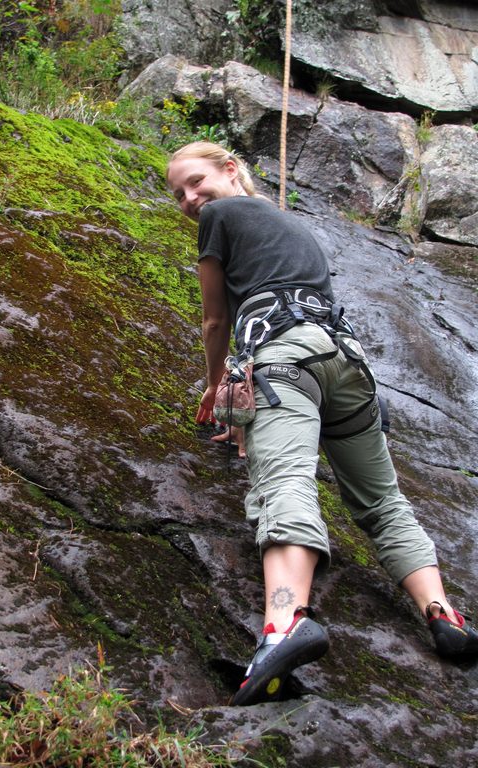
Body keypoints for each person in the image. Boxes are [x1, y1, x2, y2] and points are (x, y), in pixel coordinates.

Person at [166, 140, 478, 706]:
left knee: (284, 481)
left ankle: (285, 625)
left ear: (229, 169)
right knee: (382, 503)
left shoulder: (220, 214)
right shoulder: (289, 227)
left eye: (195, 181)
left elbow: (216, 318)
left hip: (285, 360)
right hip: (347, 365)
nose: (190, 199)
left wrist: (216, 386)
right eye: (179, 193)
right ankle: (443, 614)